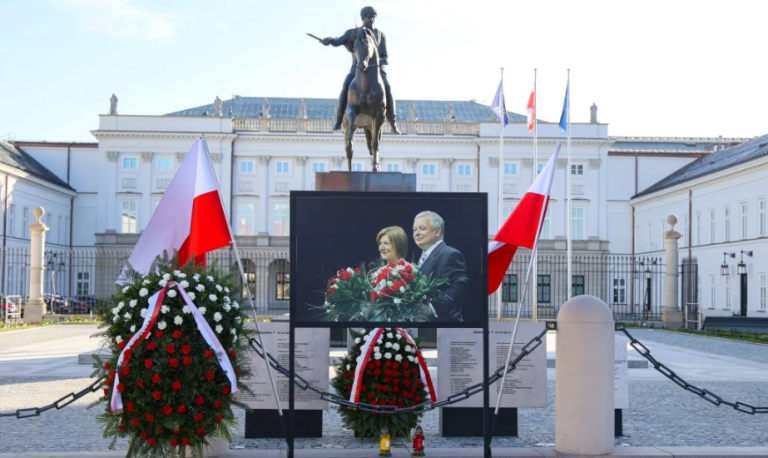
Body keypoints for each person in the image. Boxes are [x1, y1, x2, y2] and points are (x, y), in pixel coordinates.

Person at [321, 6, 401, 134]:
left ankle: (392, 121)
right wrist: (330, 40)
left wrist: (381, 61)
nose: (372, 20)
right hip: (357, 69)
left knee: (387, 86)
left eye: (374, 17)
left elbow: (386, 55)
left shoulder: (380, 35)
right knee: (346, 85)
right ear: (363, 18)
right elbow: (338, 41)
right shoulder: (352, 33)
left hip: (376, 71)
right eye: (369, 17)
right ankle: (339, 118)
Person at [413, 211, 469, 322]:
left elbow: (460, 287)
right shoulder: (420, 257)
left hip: (445, 326)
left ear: (438, 231)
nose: (416, 233)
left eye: (422, 228)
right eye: (414, 230)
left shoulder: (450, 254)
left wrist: (432, 307)